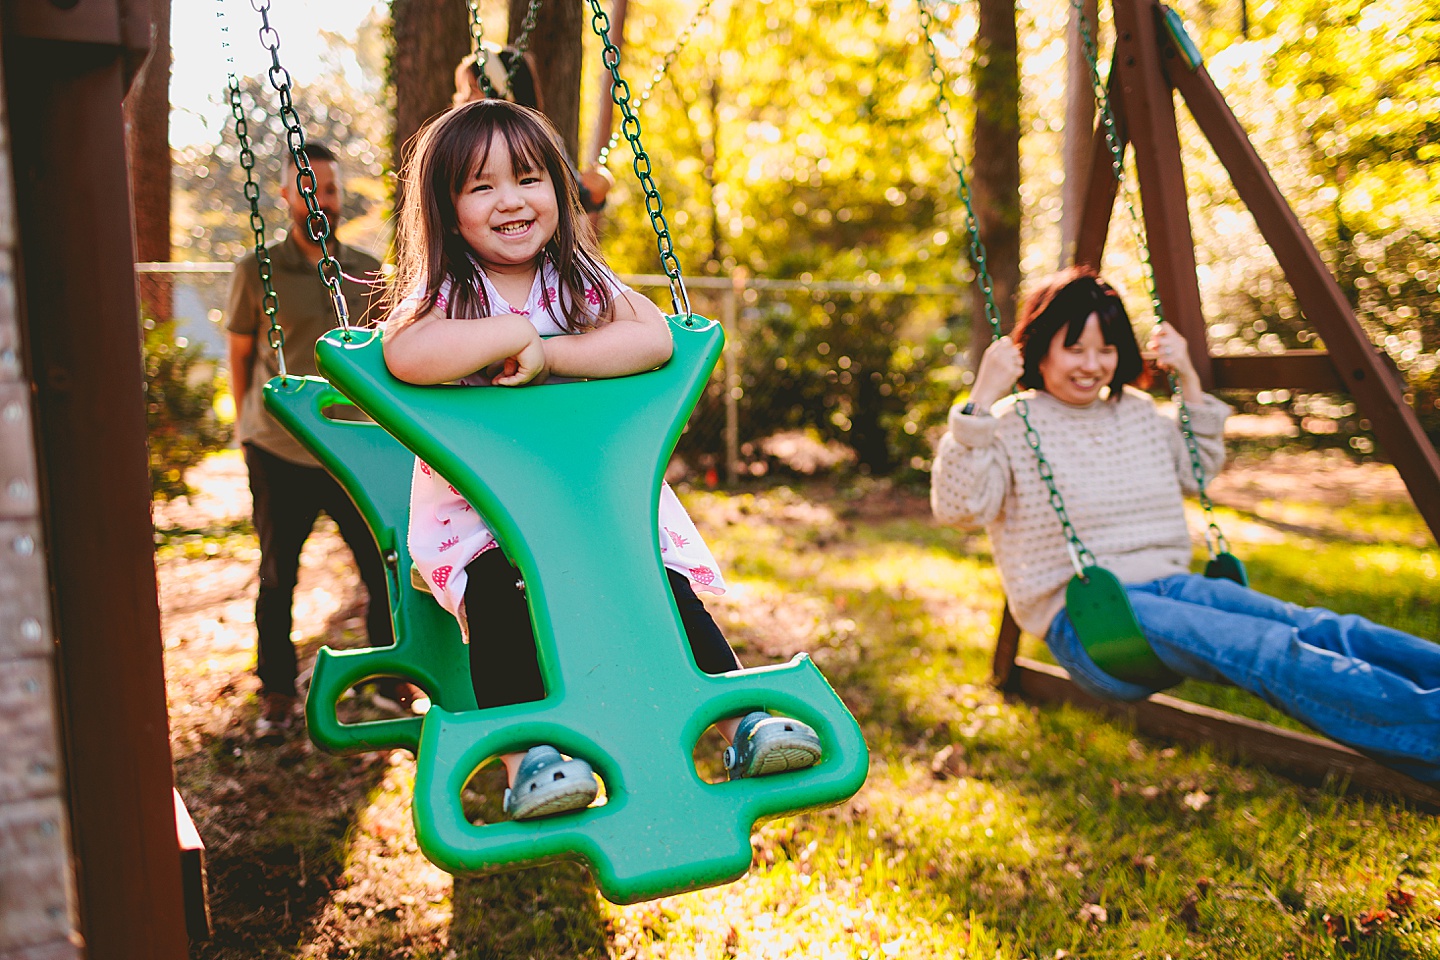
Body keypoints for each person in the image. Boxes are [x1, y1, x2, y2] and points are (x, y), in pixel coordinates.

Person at [380, 99, 823, 820]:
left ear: (558, 188)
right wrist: (502, 335)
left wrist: (549, 351)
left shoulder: (578, 284)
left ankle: (743, 719)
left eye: (528, 178)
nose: (511, 200)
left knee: (660, 590)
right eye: (481, 186)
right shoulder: (450, 292)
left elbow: (652, 337)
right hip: (480, 512)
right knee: (498, 599)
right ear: (447, 207)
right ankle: (533, 761)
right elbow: (406, 352)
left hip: (592, 499)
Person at [930, 266, 1440, 785]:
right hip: (1091, 615)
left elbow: (1196, 470)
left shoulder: (1135, 412)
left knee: (1318, 627)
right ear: (1038, 348)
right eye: (1074, 349)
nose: (1091, 365)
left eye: (1105, 350)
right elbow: (959, 510)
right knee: (1270, 650)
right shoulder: (1011, 423)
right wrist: (981, 398)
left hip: (1173, 587)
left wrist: (1189, 379)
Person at [226, 142, 397, 739]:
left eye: (329, 189)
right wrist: (248, 428)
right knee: (278, 575)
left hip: (350, 448)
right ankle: (276, 692)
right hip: (279, 447)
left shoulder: (366, 269)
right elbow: (241, 357)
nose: (321, 199)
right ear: (285, 195)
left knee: (382, 567)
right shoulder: (257, 271)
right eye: (308, 187)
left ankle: (390, 681)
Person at [452, 44, 614, 223]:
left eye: (472, 91)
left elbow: (572, 196)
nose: (462, 100)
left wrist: (598, 189)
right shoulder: (455, 144)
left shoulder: (537, 140)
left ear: (500, 94)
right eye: (461, 92)